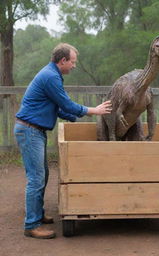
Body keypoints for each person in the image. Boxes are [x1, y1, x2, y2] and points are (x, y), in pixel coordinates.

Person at [14, 43, 112, 239]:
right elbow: (66, 104)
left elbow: (58, 108)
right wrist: (94, 111)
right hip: (30, 131)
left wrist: (77, 119)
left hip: (34, 131)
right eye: (73, 62)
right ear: (63, 61)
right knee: (36, 178)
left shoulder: (52, 74)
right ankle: (31, 225)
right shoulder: (51, 77)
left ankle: (38, 215)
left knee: (42, 175)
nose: (74, 66)